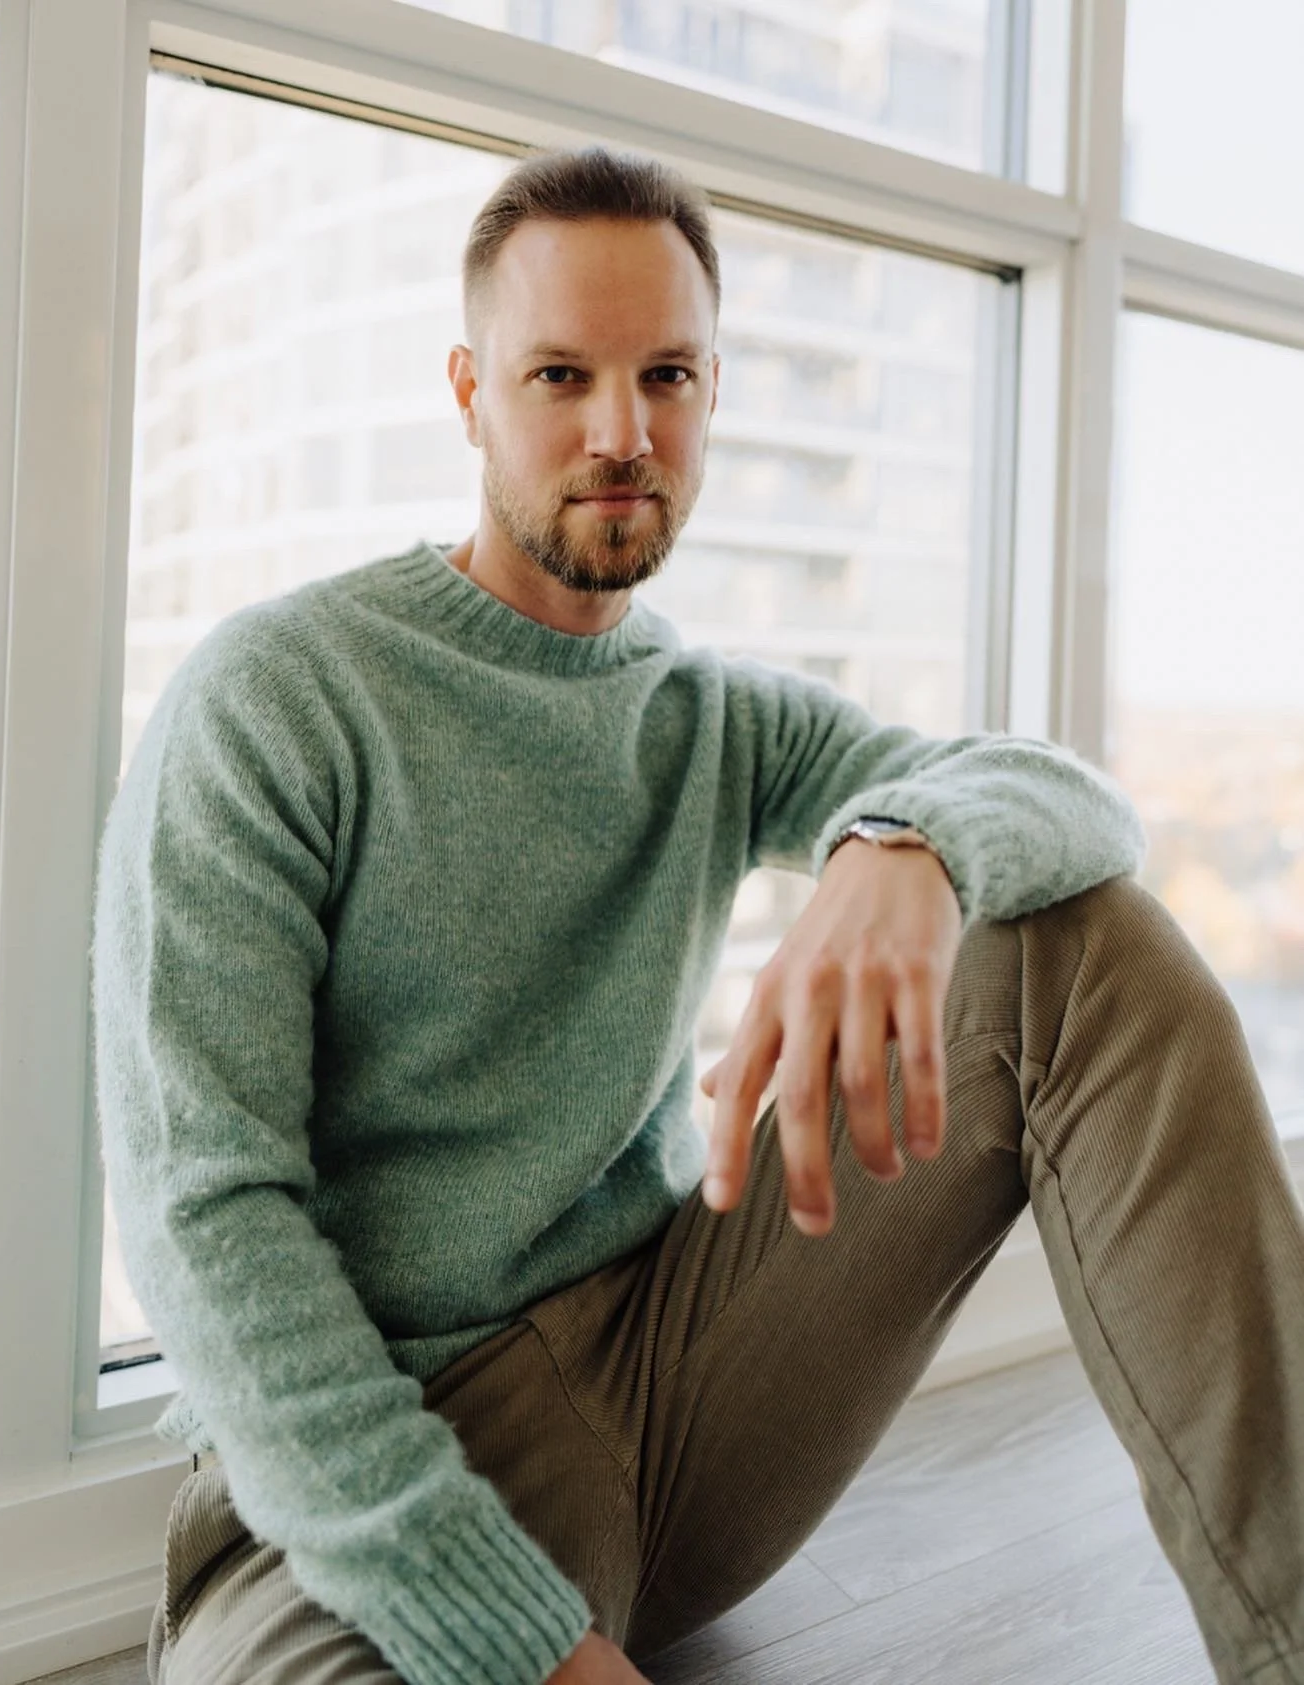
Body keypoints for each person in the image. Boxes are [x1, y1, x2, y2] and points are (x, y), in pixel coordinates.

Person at [92, 146, 1304, 1685]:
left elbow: (1073, 802)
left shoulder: (713, 718)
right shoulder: (279, 699)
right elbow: (207, 1223)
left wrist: (901, 841)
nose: (621, 430)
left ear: (715, 394)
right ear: (470, 394)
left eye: (668, 373)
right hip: (366, 1469)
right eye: (559, 375)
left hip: (678, 1387)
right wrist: (509, 1636)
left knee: (1079, 944)